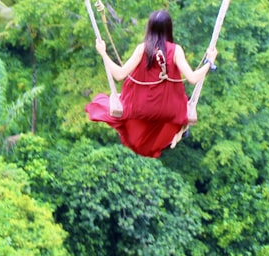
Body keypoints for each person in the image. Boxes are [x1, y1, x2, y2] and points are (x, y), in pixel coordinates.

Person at [85, 10, 217, 158]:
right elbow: (193, 78)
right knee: (174, 116)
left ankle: (174, 130)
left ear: (149, 27)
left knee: (103, 101)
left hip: (140, 108)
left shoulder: (143, 49)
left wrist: (103, 53)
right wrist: (209, 62)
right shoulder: (175, 51)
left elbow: (119, 75)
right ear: (169, 28)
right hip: (170, 111)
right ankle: (179, 130)